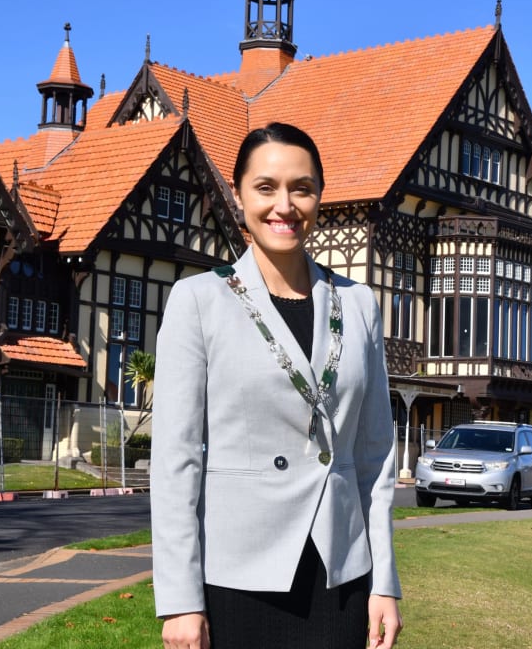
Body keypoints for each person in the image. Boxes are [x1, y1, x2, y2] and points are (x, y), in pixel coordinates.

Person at [151, 122, 403, 649]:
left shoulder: (358, 304)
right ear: (237, 194)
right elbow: (176, 462)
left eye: (301, 188)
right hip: (239, 575)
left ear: (318, 197)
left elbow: (375, 455)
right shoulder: (199, 300)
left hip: (341, 574)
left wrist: (384, 581)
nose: (284, 205)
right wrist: (180, 601)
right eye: (266, 187)